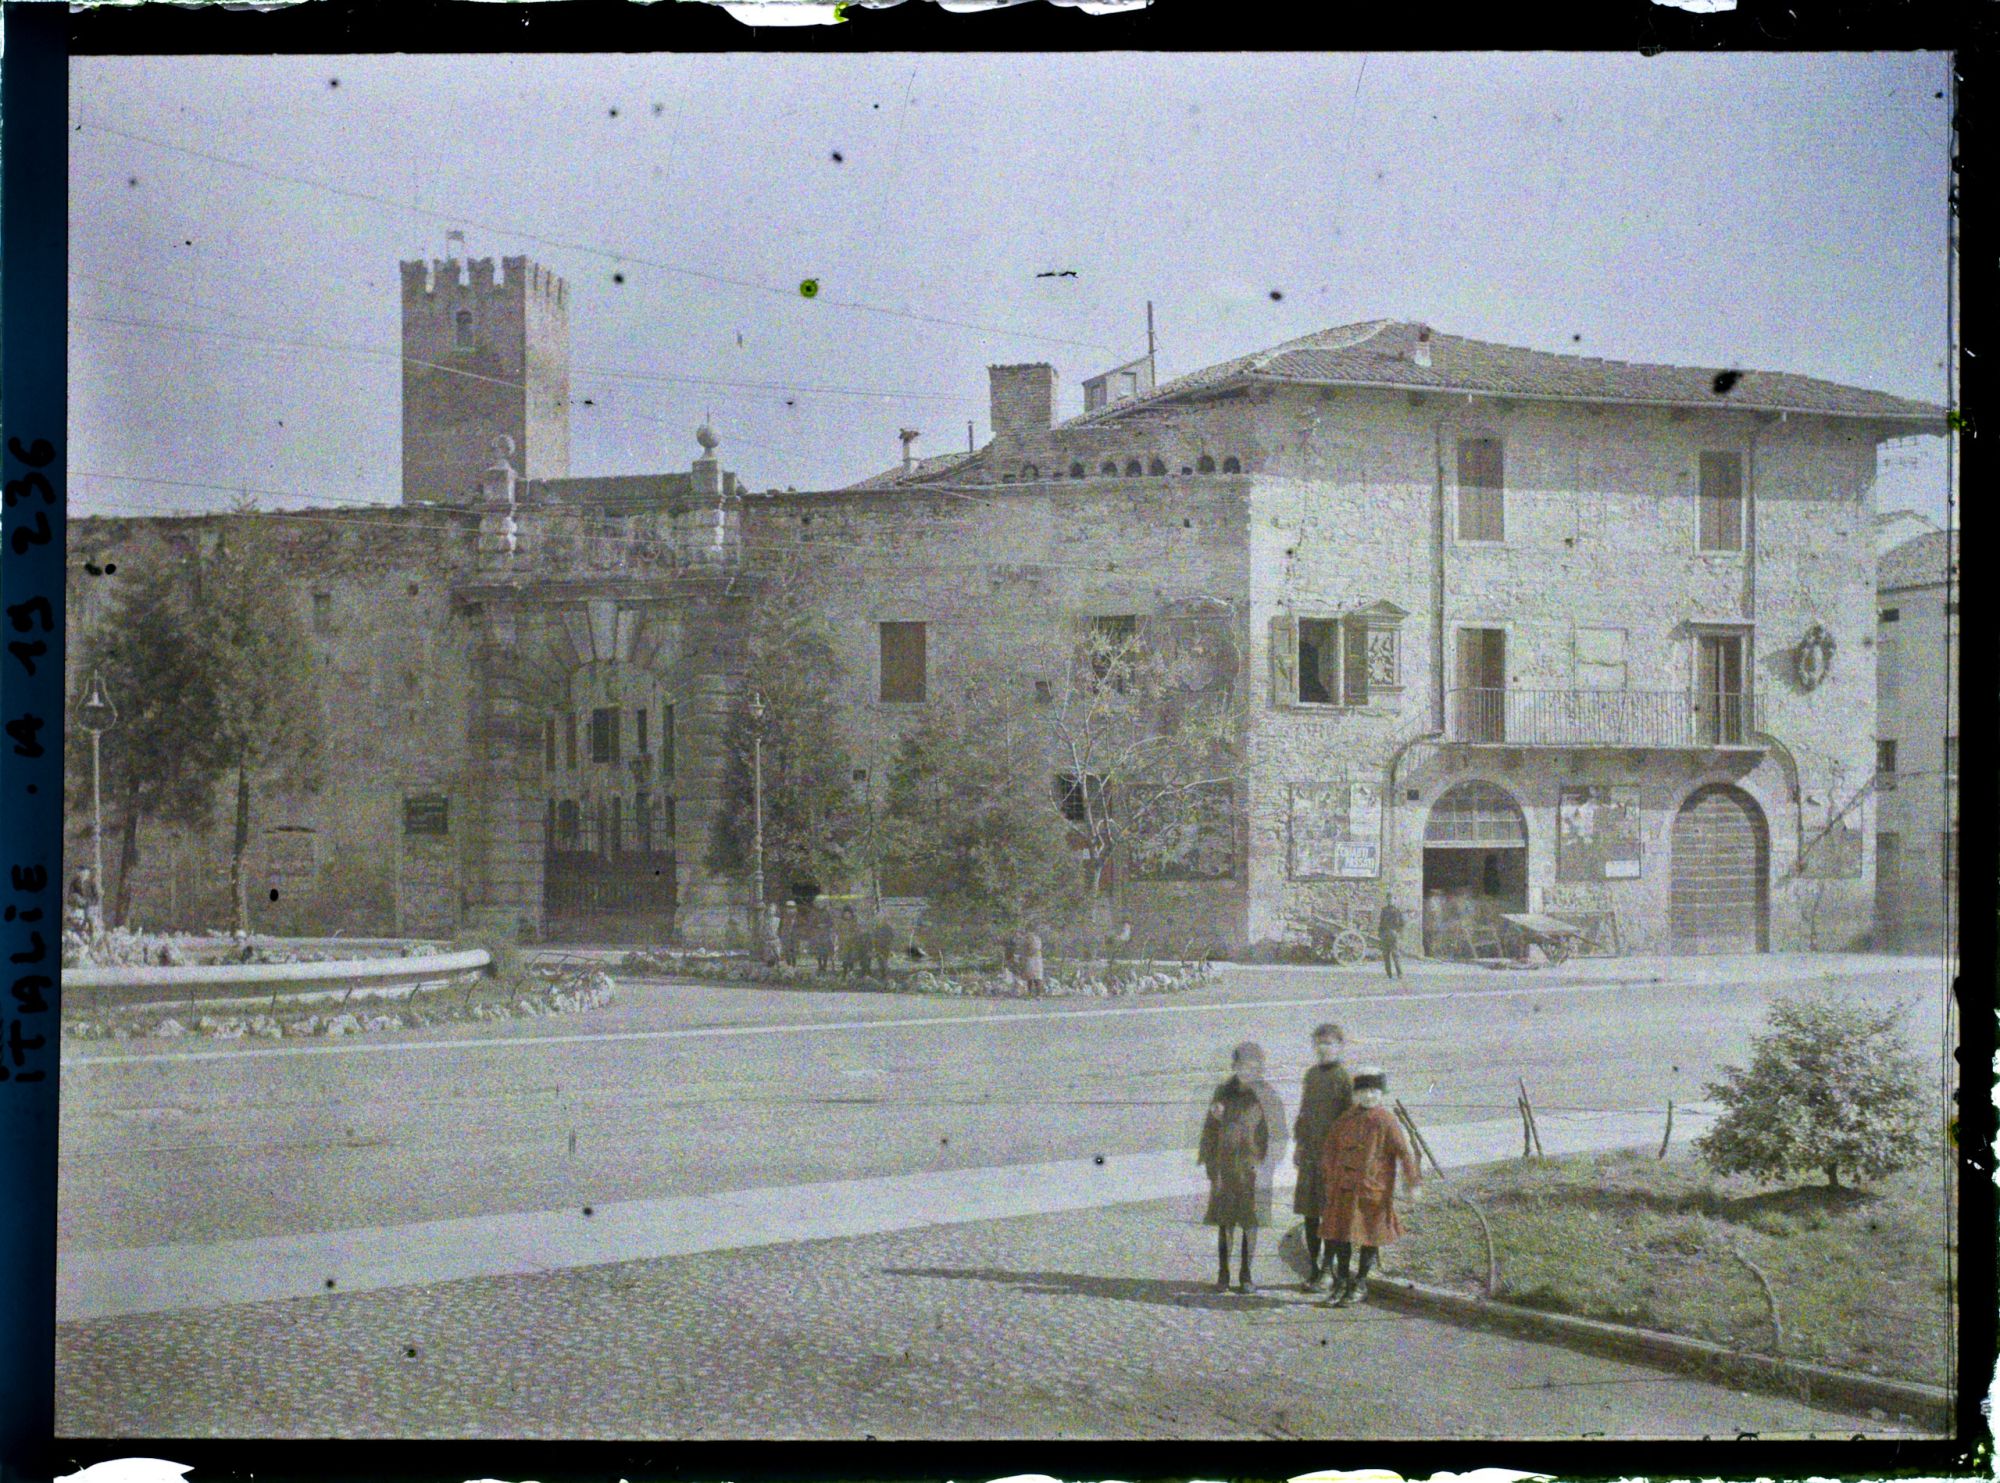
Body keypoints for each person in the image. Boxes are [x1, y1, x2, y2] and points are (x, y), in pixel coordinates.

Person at [1318, 1066, 1422, 1307]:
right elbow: (1329, 1149)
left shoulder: (1386, 1120)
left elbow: (1404, 1153)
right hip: (1343, 1189)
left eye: (1374, 1090)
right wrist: (1331, 1176)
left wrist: (1412, 1182)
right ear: (1356, 1093)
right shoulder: (1346, 1119)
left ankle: (1361, 1283)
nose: (1368, 1096)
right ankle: (1342, 1282)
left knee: (1369, 1236)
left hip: (1371, 1190)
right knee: (1340, 1236)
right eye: (1363, 1091)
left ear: (1381, 1093)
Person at [1198, 1041, 1276, 1293]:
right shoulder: (1222, 1092)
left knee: (1250, 1221)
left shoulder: (1266, 1095)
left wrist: (1266, 1164)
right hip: (1225, 1167)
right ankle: (1223, 1274)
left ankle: (1246, 1275)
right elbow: (1210, 1130)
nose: (1247, 1072)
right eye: (1242, 1067)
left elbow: (1275, 1133)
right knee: (1225, 1221)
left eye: (1253, 1067)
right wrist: (1209, 1161)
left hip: (1253, 1169)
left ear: (1260, 1069)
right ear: (1234, 1066)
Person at [1291, 1022, 1354, 1291]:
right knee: (1309, 1212)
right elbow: (1304, 1112)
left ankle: (1328, 1270)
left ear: (1340, 1046)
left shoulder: (1343, 1078)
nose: (1323, 1048)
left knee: (1329, 1214)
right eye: (1319, 1043)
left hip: (1333, 1158)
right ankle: (1314, 1269)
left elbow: (1350, 1119)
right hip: (1310, 1155)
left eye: (1329, 1043)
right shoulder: (1312, 1075)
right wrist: (1299, 1144)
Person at [67, 865, 102, 936]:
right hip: (78, 904)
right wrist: (75, 899)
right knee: (73, 917)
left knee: (89, 916)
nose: (83, 874)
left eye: (85, 873)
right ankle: (77, 930)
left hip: (89, 904)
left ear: (87, 873)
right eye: (81, 872)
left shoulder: (91, 883)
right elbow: (70, 894)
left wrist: (90, 902)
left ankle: (92, 932)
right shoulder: (74, 882)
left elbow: (96, 896)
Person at [1378, 895, 1406, 979]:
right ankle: (1389, 974)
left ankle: (1399, 973)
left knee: (1395, 955)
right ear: (1387, 900)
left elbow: (1402, 923)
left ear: (1395, 900)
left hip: (1393, 935)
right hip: (1385, 935)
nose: (1390, 901)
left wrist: (1398, 933)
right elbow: (1381, 922)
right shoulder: (1384, 910)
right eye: (1388, 899)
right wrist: (1380, 933)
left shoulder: (1397, 911)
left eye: (1392, 899)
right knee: (1385, 955)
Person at [778, 900, 800, 968]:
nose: (790, 909)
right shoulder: (783, 918)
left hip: (794, 937)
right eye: (788, 907)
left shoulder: (797, 918)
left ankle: (793, 966)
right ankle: (789, 965)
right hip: (786, 937)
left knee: (794, 951)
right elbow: (780, 928)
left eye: (792, 907)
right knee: (787, 951)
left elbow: (800, 928)